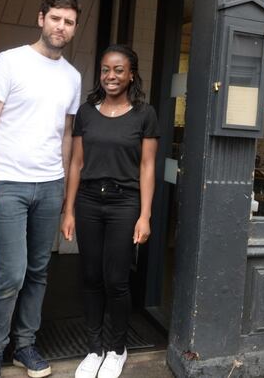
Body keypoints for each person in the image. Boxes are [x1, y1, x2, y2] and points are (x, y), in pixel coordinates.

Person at [0, 0, 82, 378]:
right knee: (12, 272)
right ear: (41, 18)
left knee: (38, 270)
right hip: (8, 183)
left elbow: (67, 135)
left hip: (50, 184)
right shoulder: (10, 62)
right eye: (55, 18)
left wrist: (65, 189)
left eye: (69, 22)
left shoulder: (73, 76)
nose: (61, 27)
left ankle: (24, 345)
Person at [62, 44, 159, 378]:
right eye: (105, 69)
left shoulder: (145, 114)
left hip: (124, 203)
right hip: (88, 201)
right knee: (90, 277)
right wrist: (69, 210)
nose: (111, 76)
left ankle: (116, 348)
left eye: (118, 70)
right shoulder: (87, 112)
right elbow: (76, 163)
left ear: (131, 74)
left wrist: (145, 214)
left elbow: (147, 167)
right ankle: (94, 348)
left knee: (115, 279)